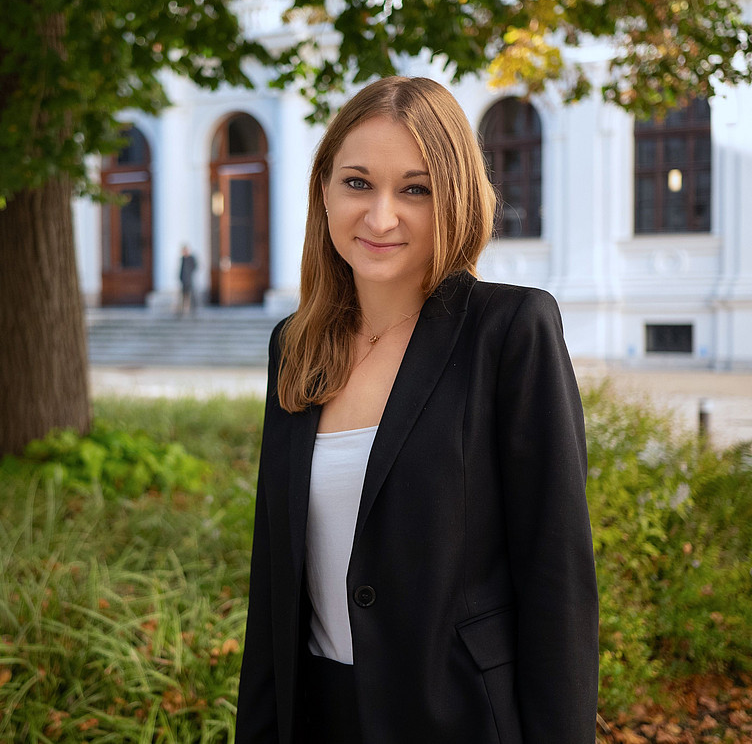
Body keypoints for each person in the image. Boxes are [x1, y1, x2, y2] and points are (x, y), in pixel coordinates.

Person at [235, 76, 599, 743]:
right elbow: (275, 582)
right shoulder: (295, 346)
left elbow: (559, 582)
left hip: (456, 719)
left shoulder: (510, 329)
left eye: (415, 188)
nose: (379, 217)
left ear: (454, 197)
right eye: (356, 183)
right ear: (323, 190)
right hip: (318, 715)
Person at [179, 244, 197, 316]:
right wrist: (180, 277)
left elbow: (194, 267)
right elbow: (181, 269)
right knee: (184, 294)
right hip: (183, 279)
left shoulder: (191, 258)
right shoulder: (183, 259)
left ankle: (193, 307)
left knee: (191, 293)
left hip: (189, 279)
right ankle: (184, 308)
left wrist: (190, 273)